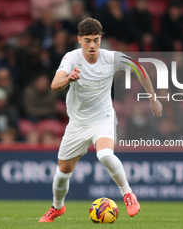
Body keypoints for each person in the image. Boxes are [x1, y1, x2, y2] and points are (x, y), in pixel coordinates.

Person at [39, 17, 162, 222]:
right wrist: (68, 78)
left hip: (102, 118)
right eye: (87, 40)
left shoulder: (112, 58)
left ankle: (128, 195)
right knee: (62, 172)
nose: (92, 45)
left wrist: (153, 99)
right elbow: (54, 84)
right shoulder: (71, 58)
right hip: (78, 123)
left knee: (104, 154)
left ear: (101, 39)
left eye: (96, 39)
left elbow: (140, 70)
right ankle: (57, 207)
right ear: (79, 40)